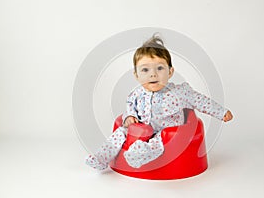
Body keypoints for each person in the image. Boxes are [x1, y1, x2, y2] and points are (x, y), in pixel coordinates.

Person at [86, 34, 233, 170]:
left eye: (160, 68)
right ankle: (102, 158)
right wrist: (129, 117)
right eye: (145, 70)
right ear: (136, 75)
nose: (153, 74)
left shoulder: (180, 92)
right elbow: (130, 106)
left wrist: (221, 112)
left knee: (159, 142)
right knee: (119, 133)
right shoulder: (136, 94)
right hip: (142, 128)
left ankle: (139, 155)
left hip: (168, 133)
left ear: (170, 72)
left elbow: (201, 101)